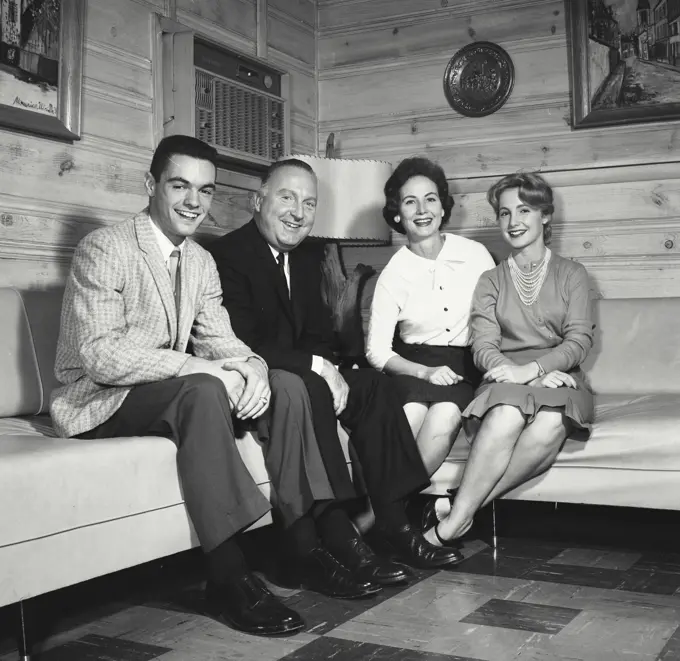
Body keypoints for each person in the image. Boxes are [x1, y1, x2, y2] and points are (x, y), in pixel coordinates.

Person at [50, 135, 371, 638]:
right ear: (150, 185)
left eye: (204, 190)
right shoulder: (105, 247)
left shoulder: (199, 260)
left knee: (271, 385)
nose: (193, 202)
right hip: (98, 398)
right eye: (180, 186)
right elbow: (99, 356)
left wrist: (255, 370)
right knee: (202, 389)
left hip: (154, 391)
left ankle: (300, 543)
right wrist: (192, 368)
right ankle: (227, 574)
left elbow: (222, 339)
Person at [209, 158, 463, 575]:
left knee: (373, 385)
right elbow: (240, 343)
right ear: (257, 201)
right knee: (311, 386)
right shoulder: (226, 254)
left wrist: (329, 366)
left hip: (301, 370)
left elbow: (318, 334)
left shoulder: (309, 257)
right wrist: (319, 368)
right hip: (259, 376)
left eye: (309, 203)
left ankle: (394, 524)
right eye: (287, 197)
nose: (298, 212)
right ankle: (340, 535)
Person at [423, 172, 595, 547]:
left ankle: (455, 516)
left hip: (560, 376)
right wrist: (523, 378)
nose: (513, 221)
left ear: (545, 215)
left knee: (551, 421)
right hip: (504, 377)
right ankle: (461, 517)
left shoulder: (574, 274)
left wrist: (536, 370)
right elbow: (483, 347)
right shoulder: (490, 280)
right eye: (504, 213)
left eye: (524, 210)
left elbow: (579, 340)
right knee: (505, 414)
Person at [366, 157, 495, 487]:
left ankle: (372, 520)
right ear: (398, 214)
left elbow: (497, 319)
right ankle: (390, 518)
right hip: (414, 365)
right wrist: (423, 372)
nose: (422, 210)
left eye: (430, 199)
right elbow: (377, 352)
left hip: (464, 365)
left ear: (442, 208)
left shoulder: (476, 255)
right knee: (410, 414)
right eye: (410, 201)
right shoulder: (393, 275)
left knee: (446, 414)